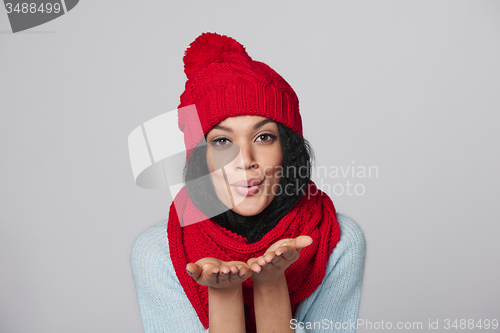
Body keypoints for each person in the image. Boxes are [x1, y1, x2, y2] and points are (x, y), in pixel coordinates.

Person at [131, 32, 366, 333]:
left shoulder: (339, 241)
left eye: (264, 137)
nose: (244, 160)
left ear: (288, 150)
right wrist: (224, 295)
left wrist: (270, 286)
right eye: (222, 141)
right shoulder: (157, 252)